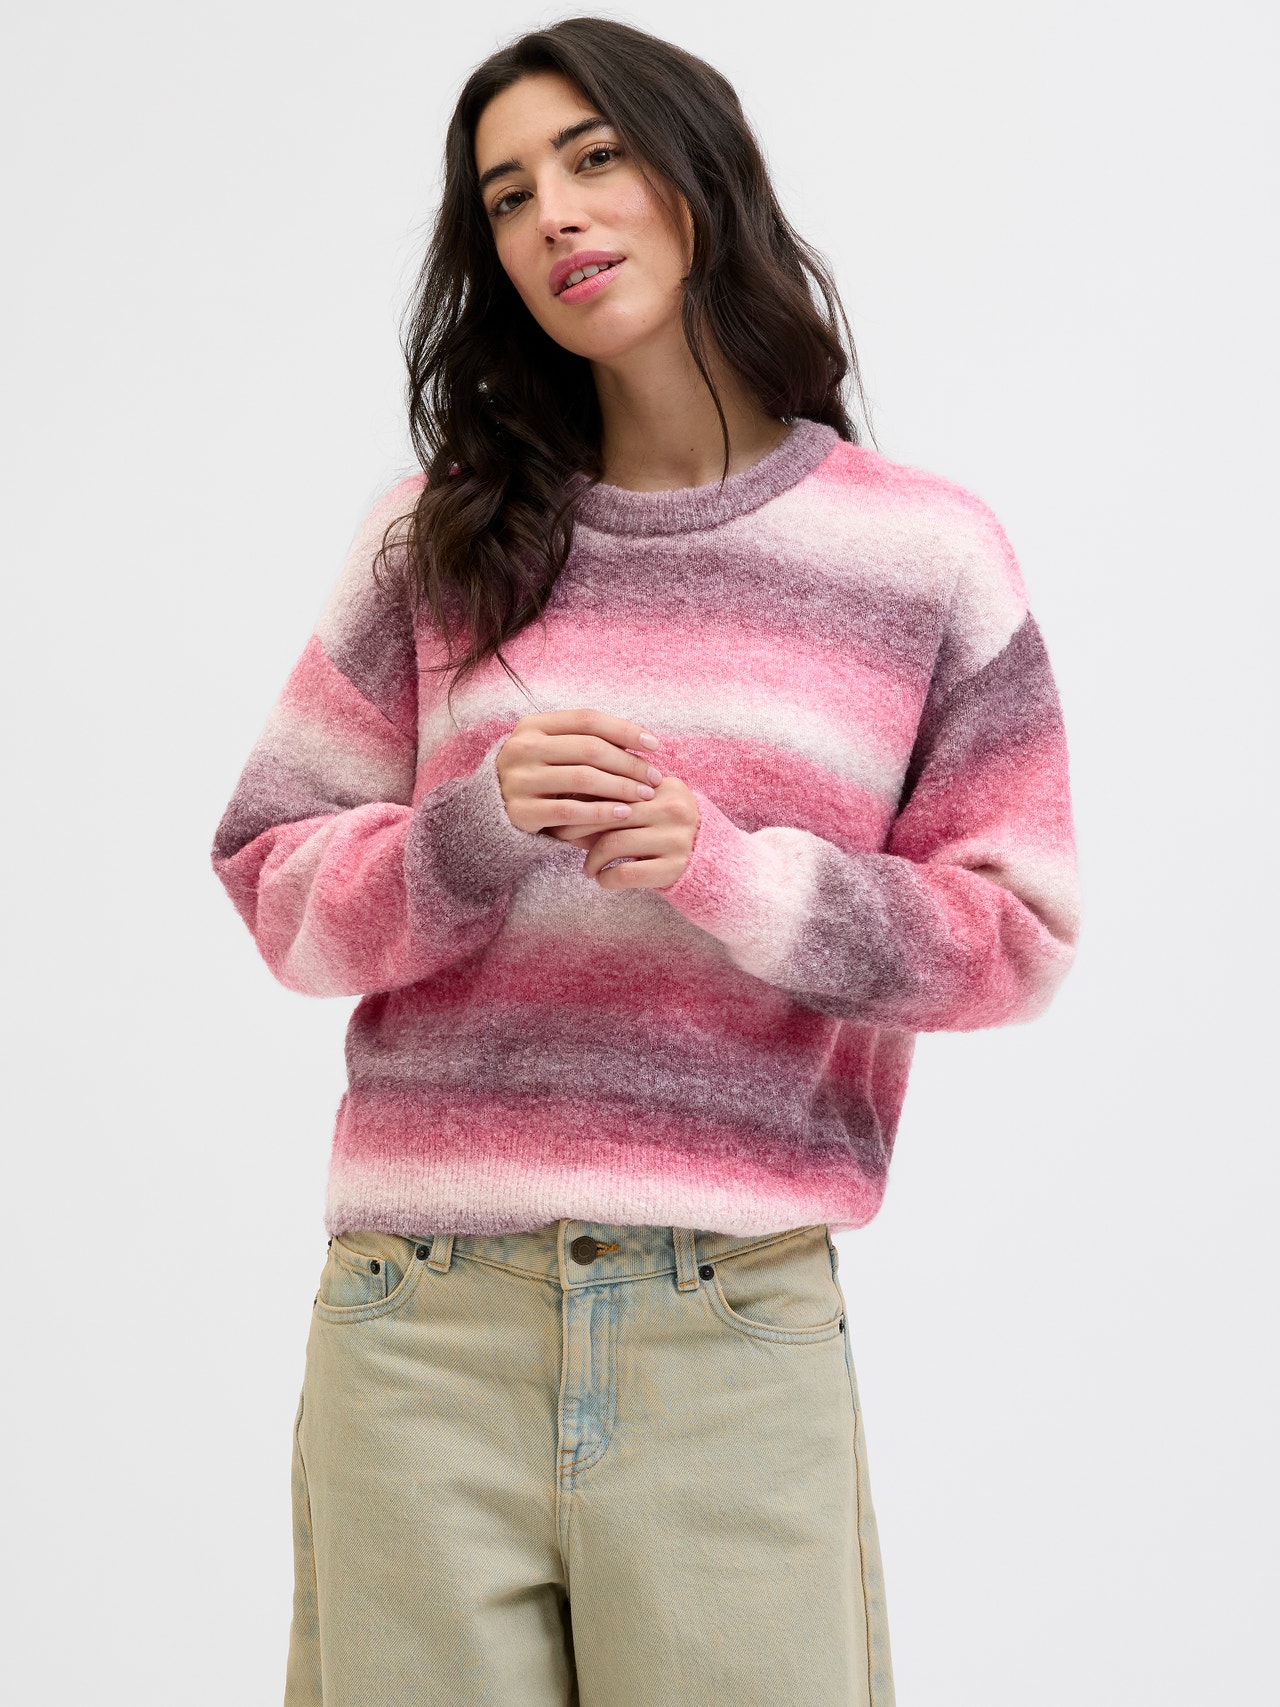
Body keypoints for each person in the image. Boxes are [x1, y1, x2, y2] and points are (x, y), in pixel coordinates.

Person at [211, 16, 1078, 1706]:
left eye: (593, 156)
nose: (552, 212)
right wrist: (471, 831)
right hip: (420, 1330)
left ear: (699, 177)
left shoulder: (921, 555)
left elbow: (1015, 933)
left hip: (728, 1330)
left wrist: (731, 873)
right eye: (506, 193)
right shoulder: (434, 540)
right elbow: (273, 882)